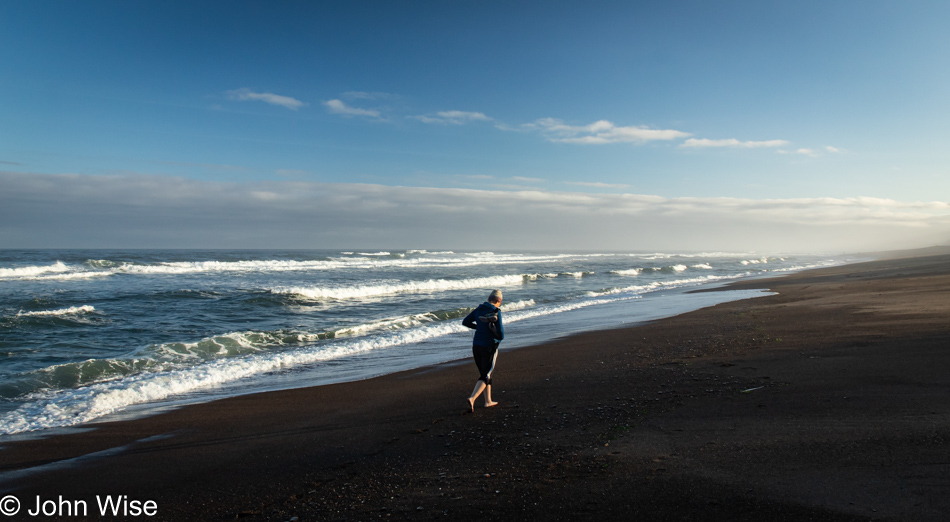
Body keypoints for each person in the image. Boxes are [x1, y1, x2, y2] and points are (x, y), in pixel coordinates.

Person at [462, 289, 505, 412]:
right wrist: (495, 335)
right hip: (489, 346)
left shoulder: (479, 309)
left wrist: (479, 328)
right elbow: (501, 334)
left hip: (476, 346)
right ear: (498, 301)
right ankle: (472, 398)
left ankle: (488, 401)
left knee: (485, 373)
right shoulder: (495, 311)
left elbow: (465, 322)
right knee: (486, 375)